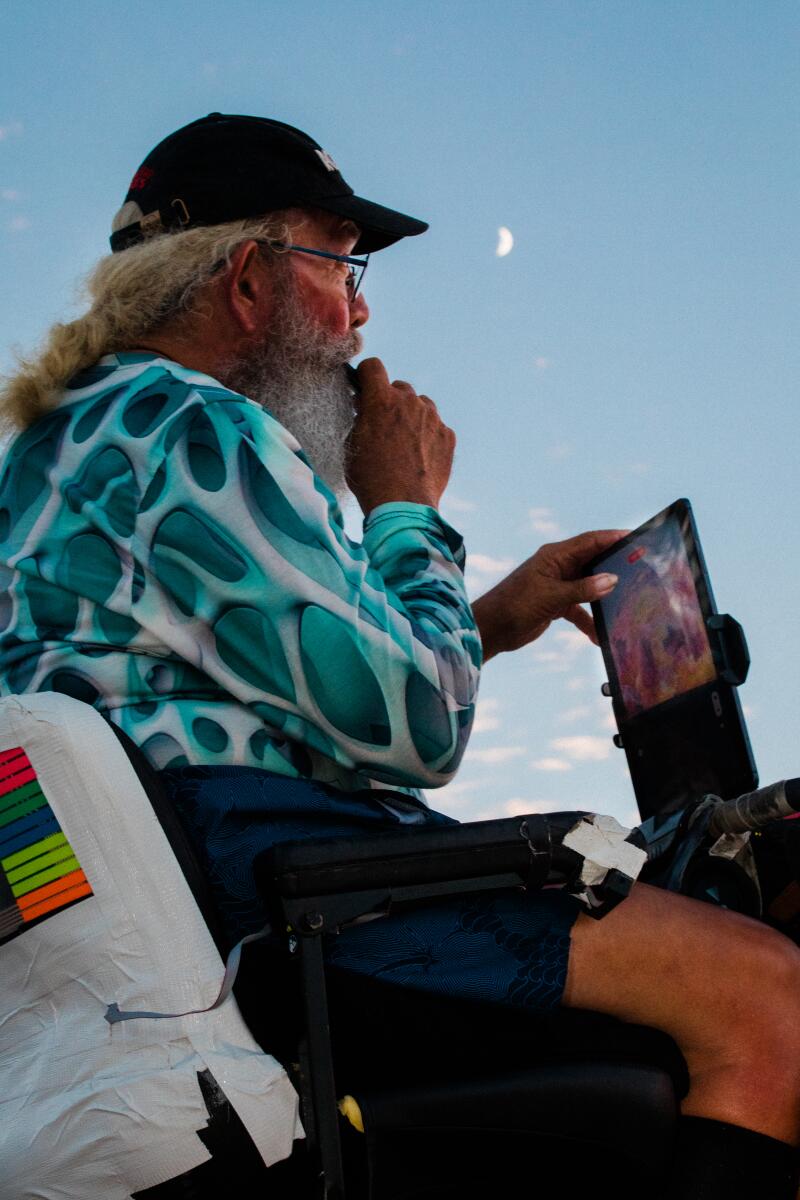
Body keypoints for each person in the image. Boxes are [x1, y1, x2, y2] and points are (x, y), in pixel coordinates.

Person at [0, 113, 798, 1199]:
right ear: (247, 278)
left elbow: (251, 678)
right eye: (340, 262)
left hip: (193, 915)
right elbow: (415, 729)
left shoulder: (59, 449)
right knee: (765, 993)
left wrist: (493, 618)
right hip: (289, 910)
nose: (360, 312)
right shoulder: (195, 428)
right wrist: (403, 511)